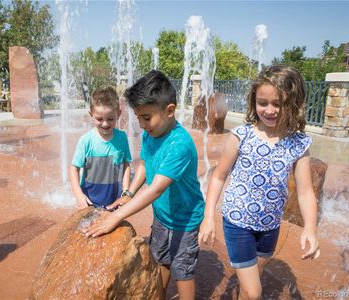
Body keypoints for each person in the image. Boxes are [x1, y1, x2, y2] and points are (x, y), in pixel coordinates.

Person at [199, 65, 320, 300]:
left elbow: (305, 192)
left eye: (278, 103)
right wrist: (208, 217)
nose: (270, 110)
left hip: (270, 224)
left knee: (254, 277)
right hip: (238, 220)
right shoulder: (241, 135)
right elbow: (218, 176)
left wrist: (310, 228)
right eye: (262, 102)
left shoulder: (298, 144)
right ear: (254, 100)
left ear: (294, 103)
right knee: (254, 293)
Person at [84, 70, 205, 300]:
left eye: (146, 117)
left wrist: (115, 217)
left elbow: (156, 188)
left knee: (183, 271)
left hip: (185, 221)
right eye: (138, 117)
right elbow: (144, 165)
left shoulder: (179, 144)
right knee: (160, 260)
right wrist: (129, 193)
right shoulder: (152, 133)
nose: (141, 124)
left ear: (169, 111)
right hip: (162, 215)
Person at [69, 86, 132, 209]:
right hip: (89, 201)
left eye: (111, 119)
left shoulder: (122, 138)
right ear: (91, 114)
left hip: (113, 202)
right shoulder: (86, 140)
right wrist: (79, 194)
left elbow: (126, 165)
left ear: (118, 114)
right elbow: (73, 169)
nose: (105, 123)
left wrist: (125, 191)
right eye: (99, 119)